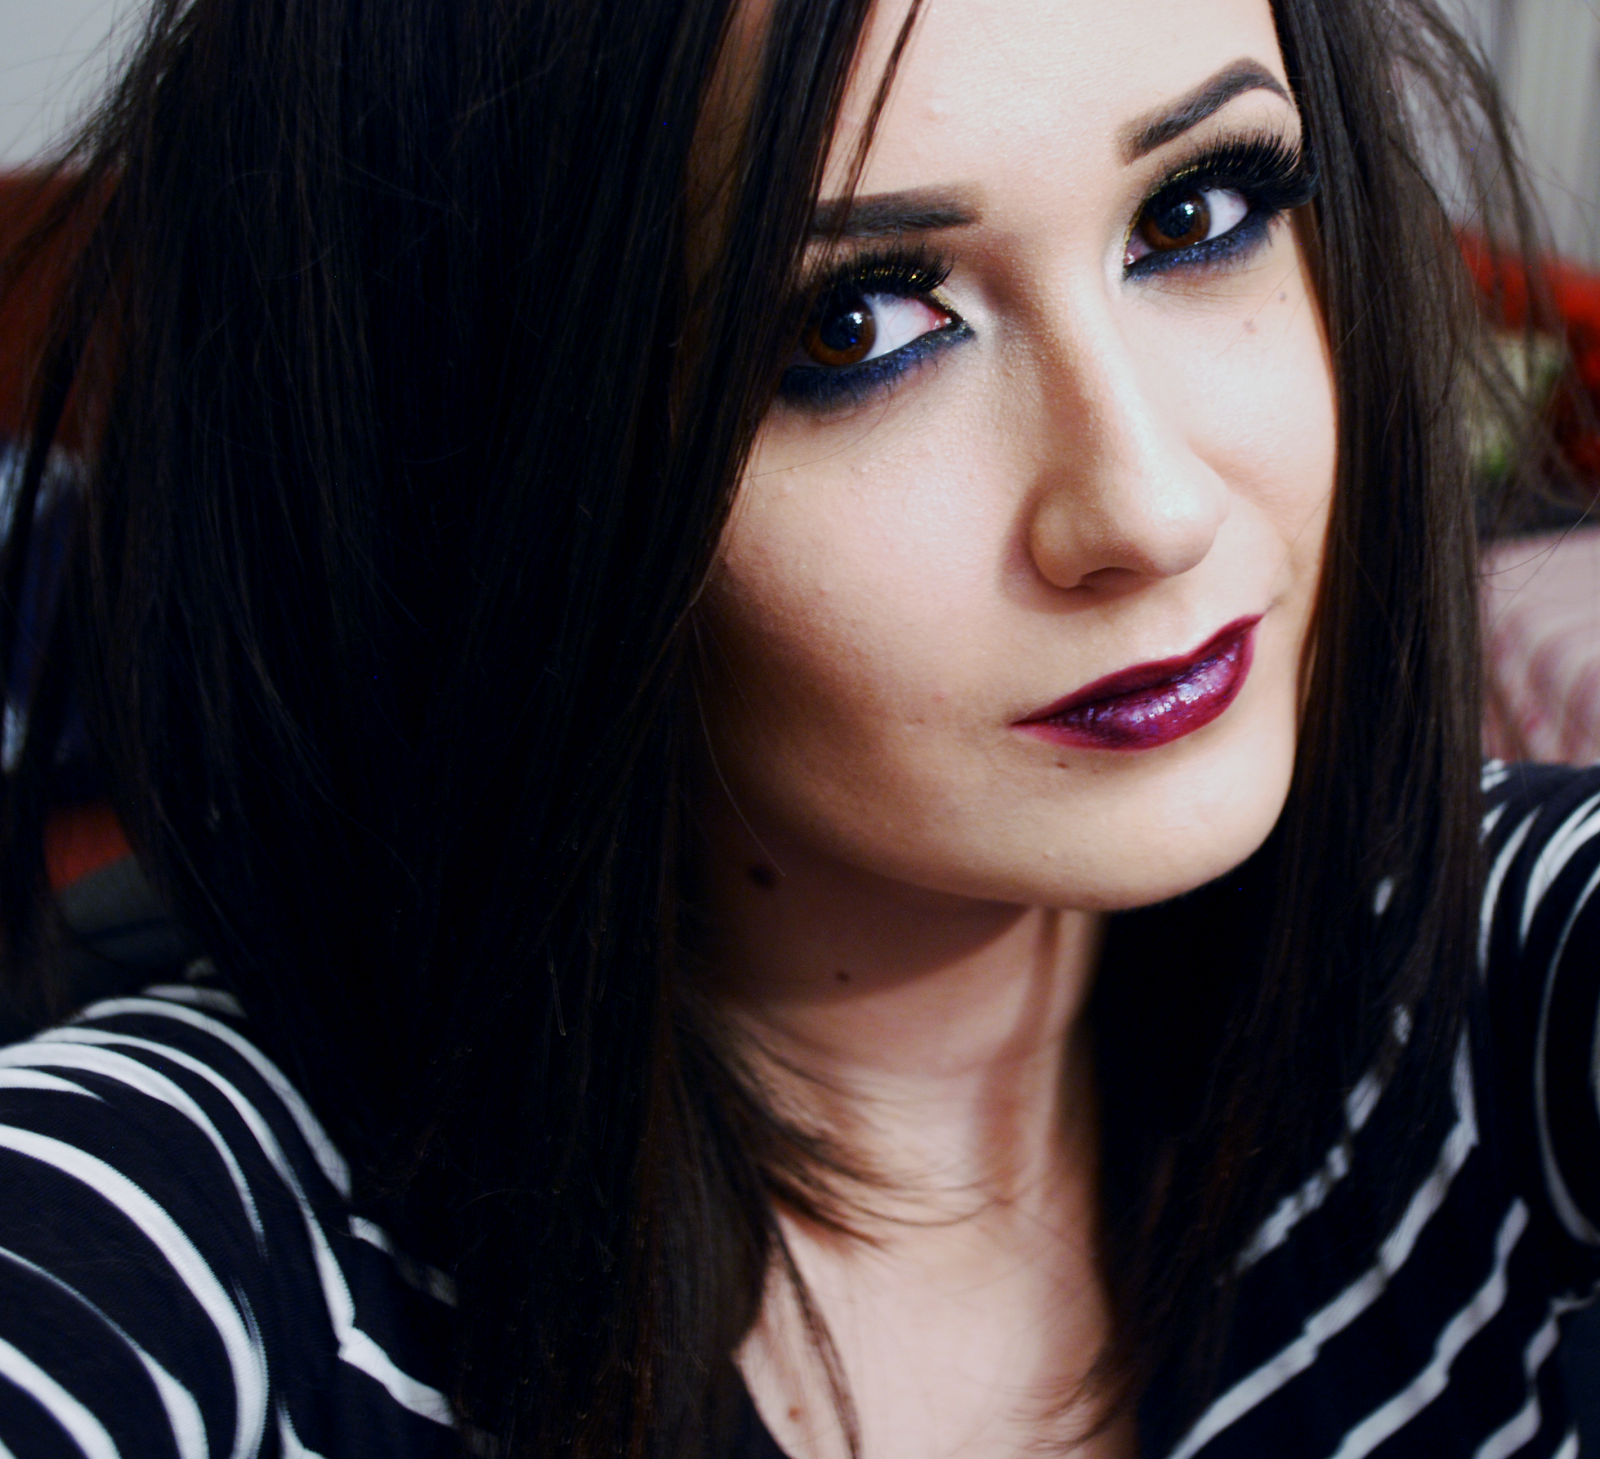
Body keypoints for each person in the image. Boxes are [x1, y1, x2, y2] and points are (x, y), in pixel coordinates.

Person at [0, 0, 1586, 1453]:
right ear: (483, 470)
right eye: (858, 326)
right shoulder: (197, 1245)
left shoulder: (1479, 978)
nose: (1149, 508)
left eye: (1196, 214)